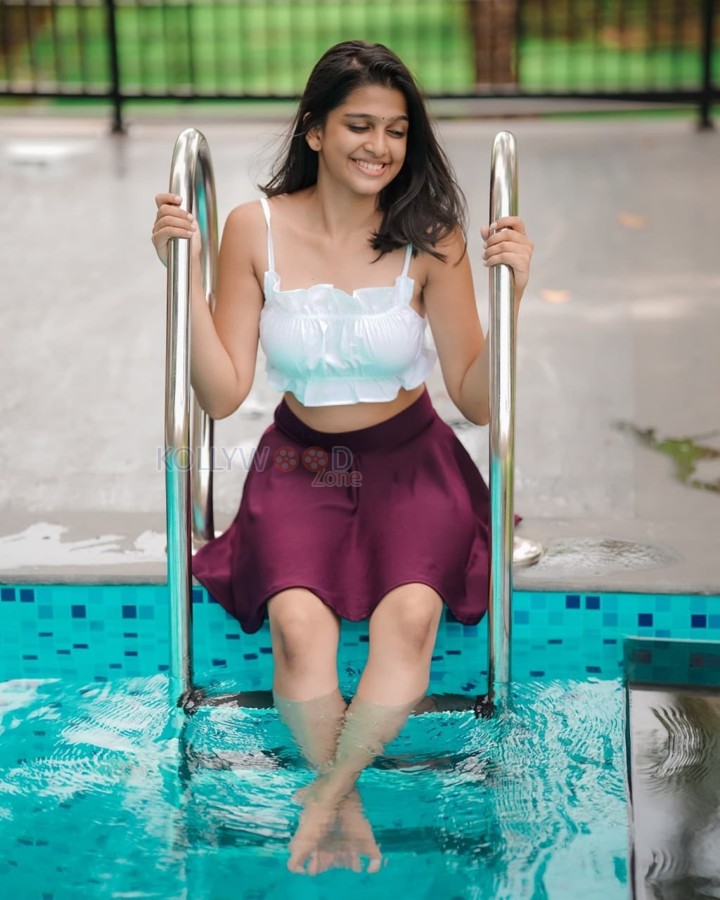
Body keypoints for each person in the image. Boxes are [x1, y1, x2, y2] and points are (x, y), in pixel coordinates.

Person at [151, 40, 533, 876]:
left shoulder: (429, 237)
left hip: (412, 460)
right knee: (296, 627)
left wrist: (515, 298)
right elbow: (221, 396)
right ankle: (347, 797)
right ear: (315, 130)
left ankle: (323, 799)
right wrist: (179, 281)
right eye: (360, 125)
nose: (380, 147)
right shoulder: (255, 228)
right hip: (301, 465)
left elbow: (474, 396)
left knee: (410, 616)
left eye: (397, 130)